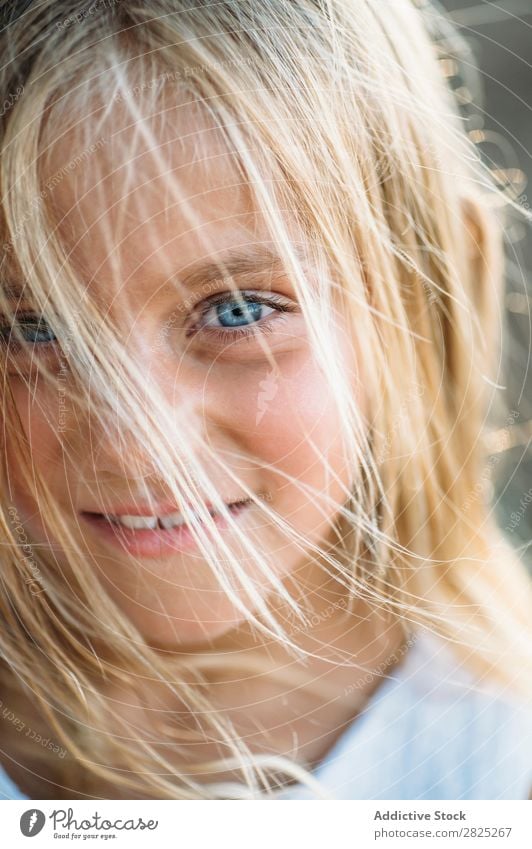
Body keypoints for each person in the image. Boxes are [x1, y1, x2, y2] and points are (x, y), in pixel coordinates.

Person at [0, 0, 530, 801]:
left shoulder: (500, 768)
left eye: (237, 311)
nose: (134, 441)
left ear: (420, 301)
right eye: (32, 326)